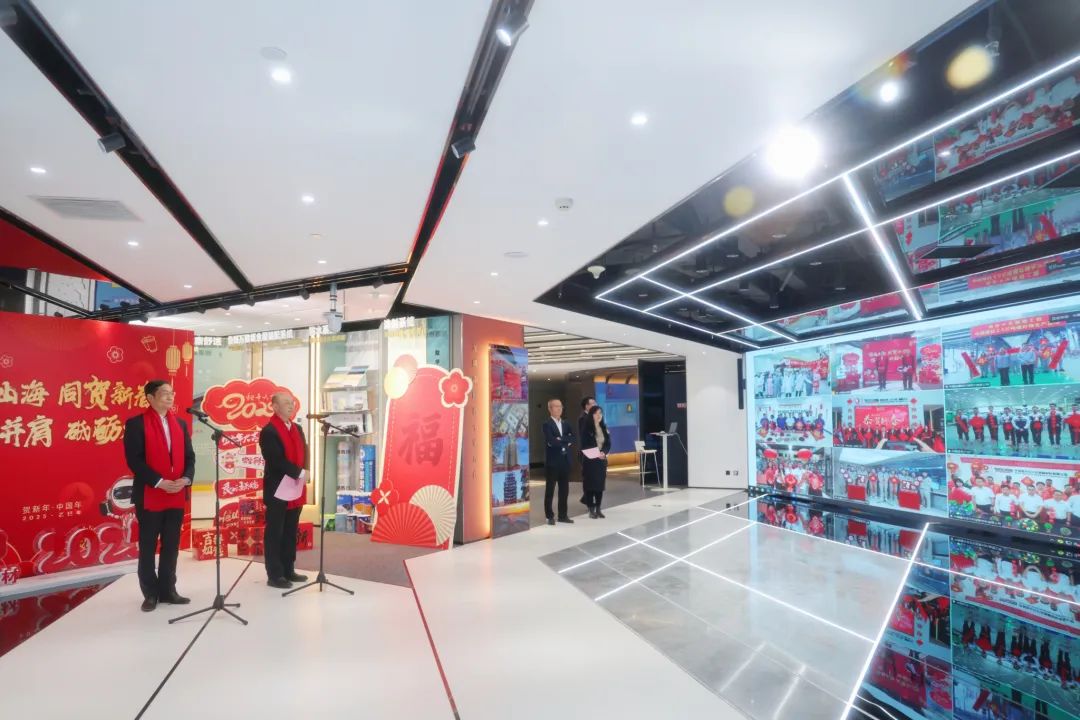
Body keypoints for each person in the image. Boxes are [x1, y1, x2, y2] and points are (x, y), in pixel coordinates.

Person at [123, 380, 195, 612]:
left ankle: (168, 590)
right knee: (148, 546)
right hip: (150, 493)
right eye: (164, 393)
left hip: (176, 493)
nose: (170, 397)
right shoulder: (136, 424)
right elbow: (134, 460)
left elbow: (190, 457)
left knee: (171, 545)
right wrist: (159, 482)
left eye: (171, 393)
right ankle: (150, 594)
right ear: (150, 398)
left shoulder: (180, 424)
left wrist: (186, 479)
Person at [258, 392, 309, 589]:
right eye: (286, 403)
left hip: (295, 487)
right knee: (275, 532)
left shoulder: (297, 428)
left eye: (292, 402)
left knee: (290, 531)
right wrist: (299, 472)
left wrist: (306, 471)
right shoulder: (269, 431)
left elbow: (305, 452)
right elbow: (275, 460)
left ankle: (289, 569)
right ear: (275, 407)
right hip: (278, 489)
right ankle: (275, 574)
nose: (290, 406)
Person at [541, 399, 575, 525]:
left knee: (564, 490)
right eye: (556, 406)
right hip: (553, 462)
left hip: (565, 460)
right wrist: (565, 441)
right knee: (550, 490)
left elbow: (573, 438)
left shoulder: (566, 423)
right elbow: (551, 441)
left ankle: (563, 515)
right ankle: (549, 516)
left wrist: (561, 439)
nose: (559, 408)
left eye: (561, 406)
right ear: (550, 409)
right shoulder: (547, 424)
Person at [579, 405, 611, 519]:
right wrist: (597, 453)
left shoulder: (604, 428)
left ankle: (598, 508)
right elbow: (584, 445)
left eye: (600, 413)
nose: (599, 415)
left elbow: (608, 443)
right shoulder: (586, 429)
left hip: (601, 461)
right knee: (589, 486)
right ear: (591, 415)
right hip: (590, 461)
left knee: (599, 486)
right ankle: (591, 509)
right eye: (596, 413)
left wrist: (603, 452)